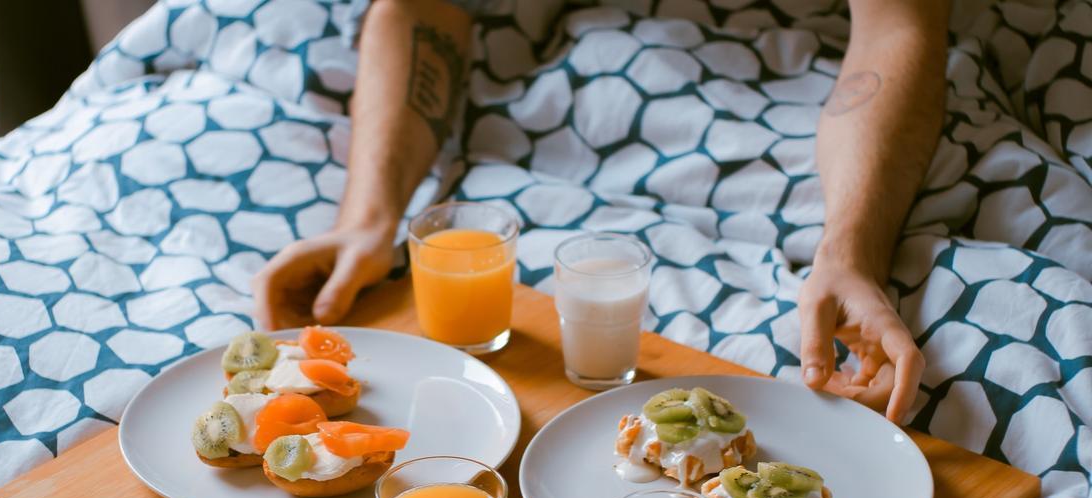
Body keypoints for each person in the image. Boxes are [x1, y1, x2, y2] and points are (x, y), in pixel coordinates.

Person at [251, 0, 942, 425]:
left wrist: (850, 255)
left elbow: (897, 24)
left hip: (801, 109)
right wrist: (369, 219)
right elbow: (421, 8)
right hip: (544, 108)